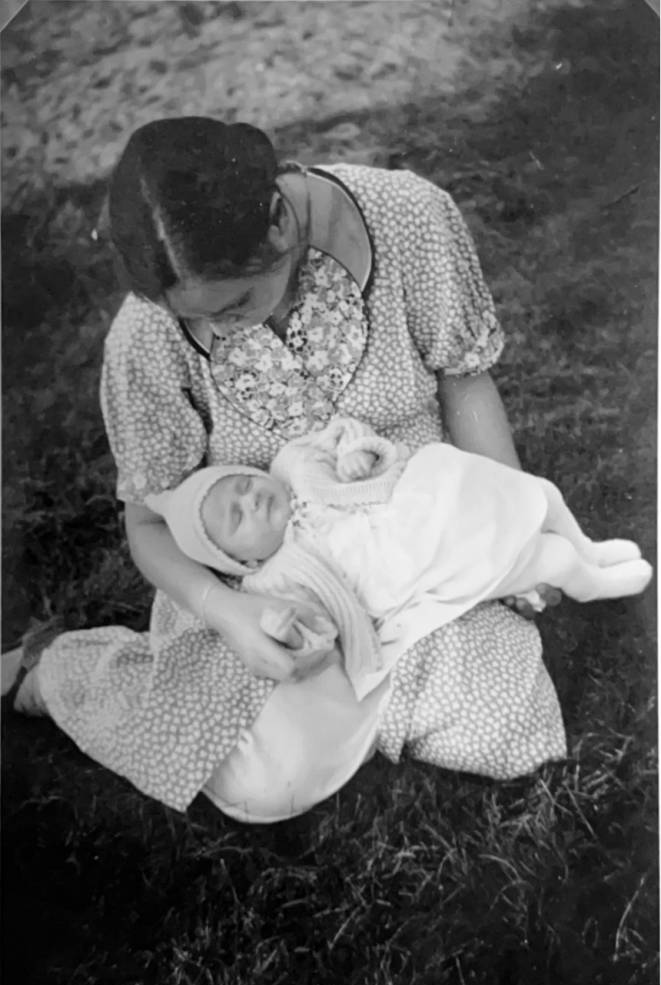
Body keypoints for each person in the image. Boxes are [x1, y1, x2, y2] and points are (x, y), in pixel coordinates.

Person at [3, 116, 571, 822]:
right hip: (261, 576)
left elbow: (463, 379)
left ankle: (375, 694)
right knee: (259, 786)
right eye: (198, 321)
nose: (222, 333)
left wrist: (516, 527)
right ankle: (57, 669)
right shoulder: (145, 334)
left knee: (509, 721)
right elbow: (149, 519)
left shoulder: (408, 216)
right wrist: (231, 615)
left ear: (277, 221)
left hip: (408, 537)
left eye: (236, 303)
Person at [146, 414, 651, 699]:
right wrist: (286, 628)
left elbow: (344, 434)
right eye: (238, 518)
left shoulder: (293, 465)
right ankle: (591, 581)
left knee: (537, 491)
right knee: (549, 559)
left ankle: (590, 549)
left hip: (430, 502)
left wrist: (358, 454)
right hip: (432, 567)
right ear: (242, 562)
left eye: (241, 484)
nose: (252, 499)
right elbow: (316, 626)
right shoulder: (275, 577)